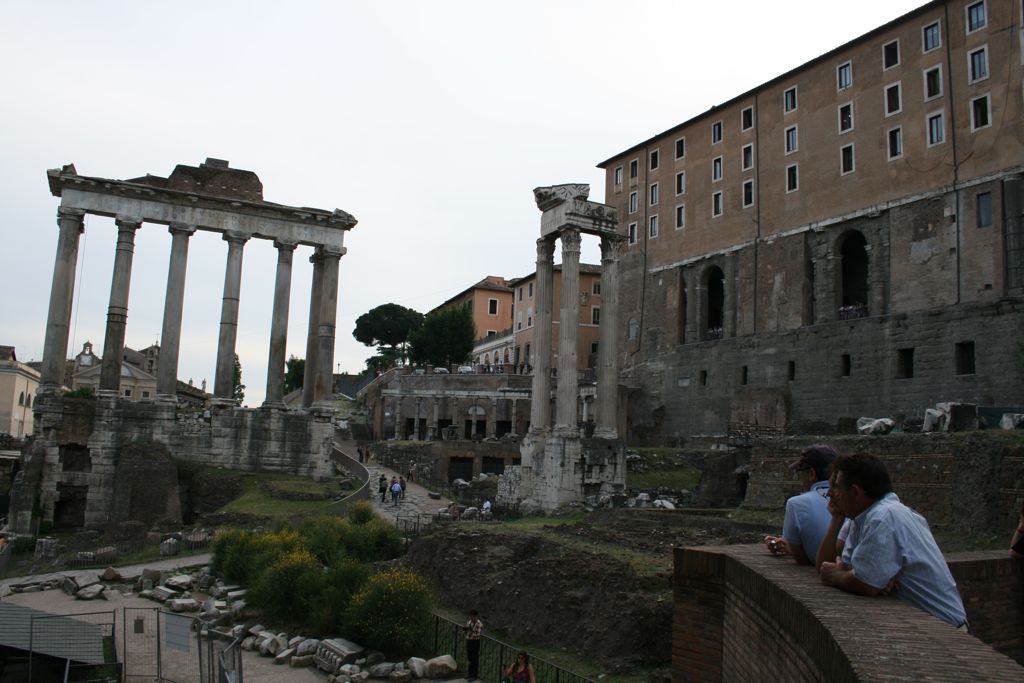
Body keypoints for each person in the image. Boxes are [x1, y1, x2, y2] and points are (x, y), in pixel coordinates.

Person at [819, 453, 968, 630]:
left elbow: (865, 582)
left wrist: (836, 576)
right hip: (926, 626)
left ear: (855, 492)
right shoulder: (863, 519)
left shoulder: (883, 518)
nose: (830, 493)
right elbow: (854, 569)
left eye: (836, 487)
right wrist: (861, 574)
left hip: (945, 630)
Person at [763, 444, 837, 565]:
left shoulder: (796, 503)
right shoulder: (852, 499)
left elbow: (801, 559)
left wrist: (789, 547)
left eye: (800, 472)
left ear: (812, 474)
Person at [462, 609, 483, 681]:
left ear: (476, 616)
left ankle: (475, 675)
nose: (471, 618)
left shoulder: (479, 624)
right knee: (470, 658)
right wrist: (465, 629)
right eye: (470, 616)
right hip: (469, 641)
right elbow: (465, 631)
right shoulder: (469, 622)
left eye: (472, 616)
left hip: (475, 642)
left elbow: (477, 634)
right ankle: (469, 674)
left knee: (475, 659)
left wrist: (470, 630)